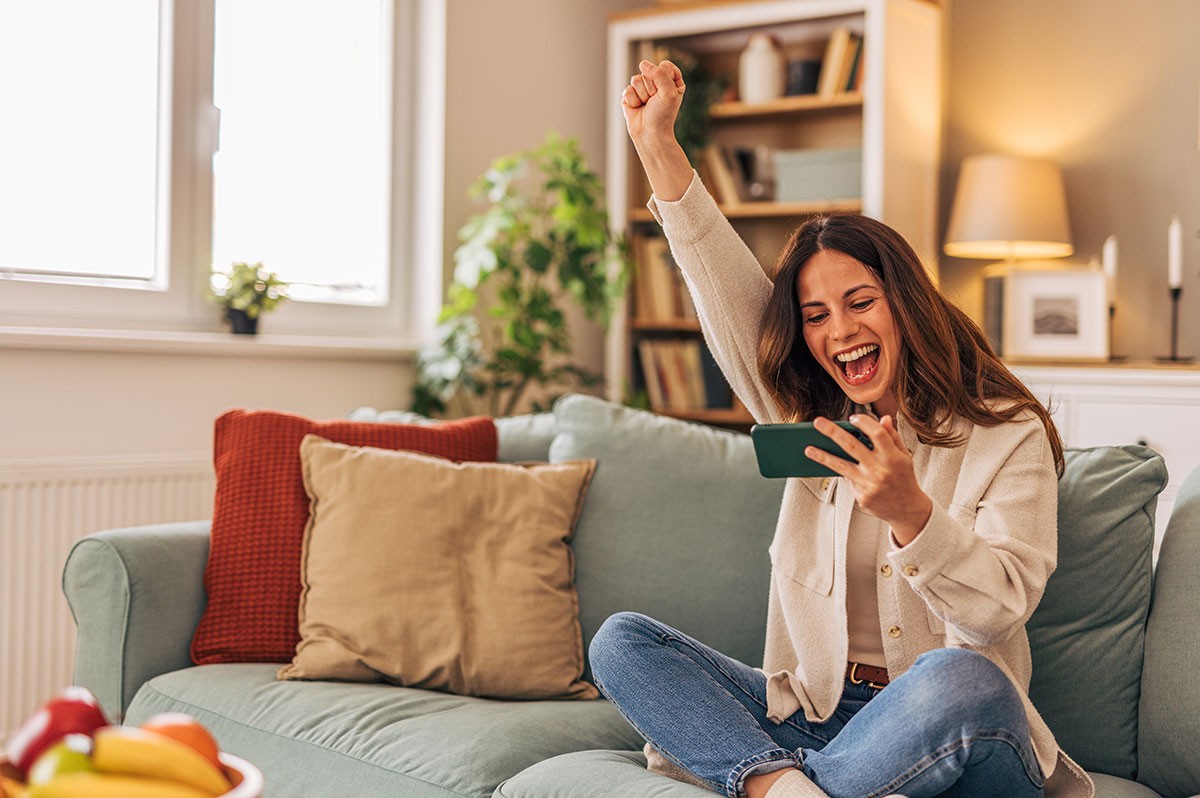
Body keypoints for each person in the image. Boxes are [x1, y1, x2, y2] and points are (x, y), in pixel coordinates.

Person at [587, 59, 1095, 798]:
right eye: (817, 316)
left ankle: (778, 779)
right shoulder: (812, 419)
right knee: (623, 642)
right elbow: (722, 288)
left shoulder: (1006, 433)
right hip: (818, 716)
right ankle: (786, 786)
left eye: (861, 302)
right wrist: (657, 146)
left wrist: (912, 514)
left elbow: (999, 610)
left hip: (950, 723)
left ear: (905, 304)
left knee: (964, 676)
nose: (840, 331)